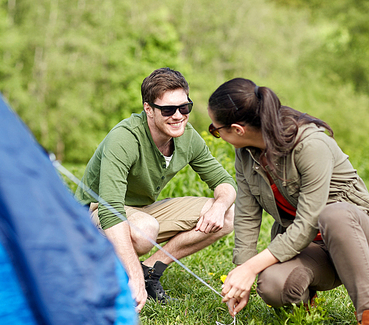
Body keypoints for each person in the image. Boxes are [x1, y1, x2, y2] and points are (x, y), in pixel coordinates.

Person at [207, 78, 369, 324]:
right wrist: (241, 273)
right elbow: (247, 215)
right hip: (316, 248)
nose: (216, 134)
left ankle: (366, 312)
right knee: (272, 284)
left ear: (237, 129)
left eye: (215, 130)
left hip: (357, 240)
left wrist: (251, 267)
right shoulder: (245, 153)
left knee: (332, 216)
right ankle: (307, 312)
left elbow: (307, 223)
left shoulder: (310, 145)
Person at [75, 68, 237, 312]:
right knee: (144, 229)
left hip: (141, 210)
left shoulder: (188, 137)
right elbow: (110, 210)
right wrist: (134, 280)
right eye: (168, 110)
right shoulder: (125, 138)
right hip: (94, 213)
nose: (178, 116)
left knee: (228, 215)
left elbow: (225, 182)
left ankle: (148, 270)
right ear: (148, 109)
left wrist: (220, 205)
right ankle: (116, 274)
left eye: (184, 108)